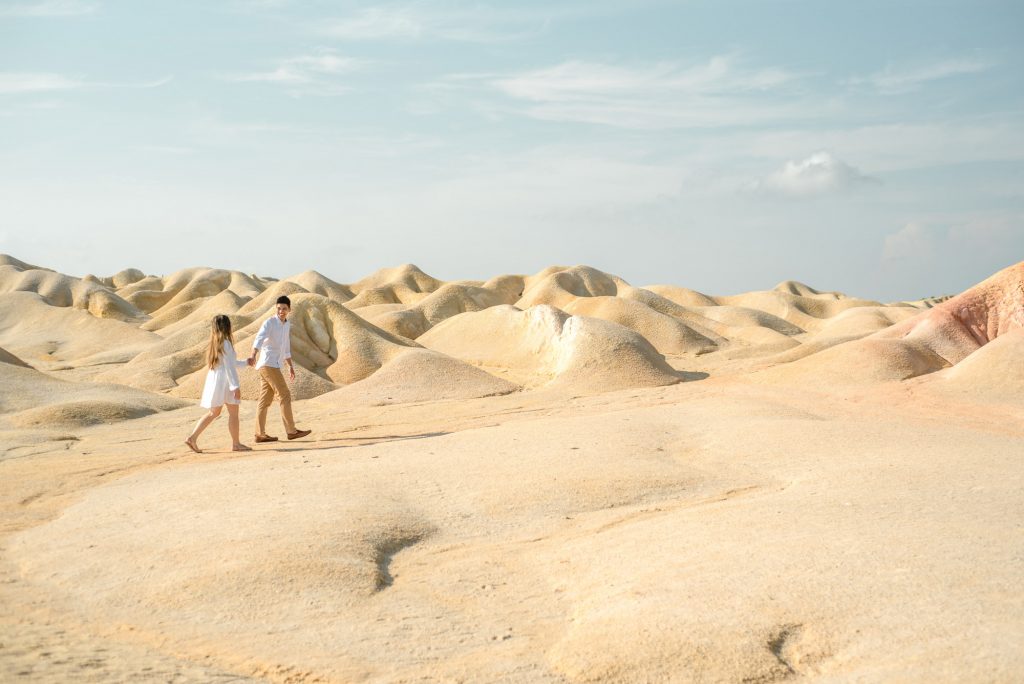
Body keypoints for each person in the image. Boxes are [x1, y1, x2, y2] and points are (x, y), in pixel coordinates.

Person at [249, 295, 312, 443]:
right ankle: (291, 431)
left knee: (265, 400)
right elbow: (259, 338)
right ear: (276, 309)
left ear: (289, 310)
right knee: (284, 394)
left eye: (284, 309)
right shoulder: (270, 322)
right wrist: (253, 354)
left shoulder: (286, 325)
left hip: (274, 364)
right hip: (267, 363)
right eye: (279, 308)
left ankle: (259, 434)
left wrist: (290, 365)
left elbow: (286, 347)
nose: (281, 311)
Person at [185, 314, 251, 453]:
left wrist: (246, 362)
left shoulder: (215, 343)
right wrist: (235, 386)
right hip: (225, 381)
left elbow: (228, 363)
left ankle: (192, 437)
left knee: (213, 412)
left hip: (216, 379)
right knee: (233, 413)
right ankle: (236, 444)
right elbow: (229, 367)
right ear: (228, 326)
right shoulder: (226, 343)